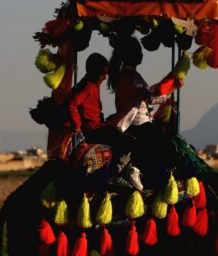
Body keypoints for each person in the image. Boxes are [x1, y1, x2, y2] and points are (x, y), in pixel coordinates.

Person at [107, 36, 189, 189]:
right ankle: (145, 173)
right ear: (133, 55)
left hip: (138, 122)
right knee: (167, 146)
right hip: (138, 124)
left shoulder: (127, 75)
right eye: (139, 52)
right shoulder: (131, 77)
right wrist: (166, 97)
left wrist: (170, 87)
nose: (142, 55)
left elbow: (147, 92)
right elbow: (150, 98)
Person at [67, 53, 142, 190]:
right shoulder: (88, 87)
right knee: (128, 142)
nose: (104, 78)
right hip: (94, 130)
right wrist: (76, 124)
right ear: (95, 72)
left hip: (98, 126)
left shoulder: (93, 85)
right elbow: (72, 104)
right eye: (102, 74)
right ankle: (115, 173)